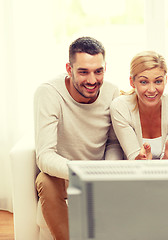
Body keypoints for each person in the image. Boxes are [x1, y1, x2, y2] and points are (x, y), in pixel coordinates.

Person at [34, 37, 124, 239]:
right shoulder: (48, 93)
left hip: (99, 175)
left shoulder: (111, 91)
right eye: (83, 72)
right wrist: (81, 171)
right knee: (44, 181)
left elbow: (113, 142)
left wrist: (106, 170)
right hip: (63, 175)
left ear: (105, 68)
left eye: (98, 71)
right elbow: (45, 155)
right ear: (69, 68)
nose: (92, 80)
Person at [110, 51, 168, 160]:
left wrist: (167, 158)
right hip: (133, 175)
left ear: (165, 80)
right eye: (144, 82)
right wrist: (140, 159)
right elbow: (133, 158)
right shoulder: (120, 107)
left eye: (158, 81)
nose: (152, 90)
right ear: (132, 82)